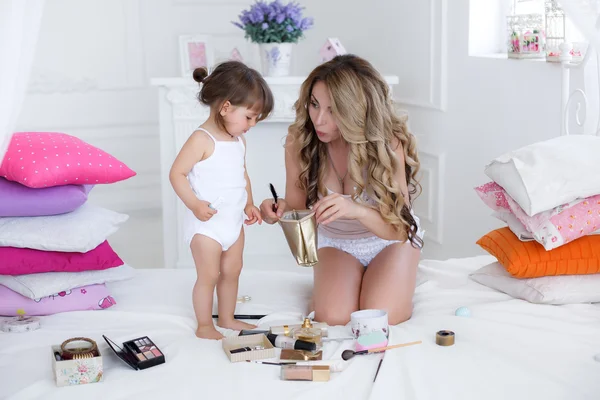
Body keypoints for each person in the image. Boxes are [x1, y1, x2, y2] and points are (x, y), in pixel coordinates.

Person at [259, 55, 424, 326]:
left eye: (333, 110)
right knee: (334, 318)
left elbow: (398, 228)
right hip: (337, 243)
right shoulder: (299, 142)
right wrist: (277, 212)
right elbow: (298, 209)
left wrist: (355, 210)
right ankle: (350, 283)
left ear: (356, 110)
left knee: (381, 316)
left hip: (389, 240)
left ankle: (387, 277)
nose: (319, 120)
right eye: (314, 104)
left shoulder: (387, 144)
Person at [170, 61, 274, 339]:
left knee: (232, 270)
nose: (252, 125)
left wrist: (249, 204)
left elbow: (243, 175)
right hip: (207, 226)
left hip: (233, 221)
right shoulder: (201, 140)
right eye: (249, 117)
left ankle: (227, 318)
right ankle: (205, 324)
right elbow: (177, 174)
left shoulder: (238, 141)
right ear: (226, 107)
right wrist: (195, 204)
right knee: (210, 275)